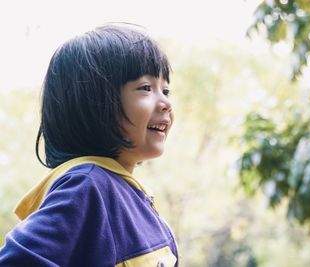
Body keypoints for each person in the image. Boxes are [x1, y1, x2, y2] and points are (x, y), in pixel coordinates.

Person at [0, 23, 179, 267]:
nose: (166, 103)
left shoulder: (128, 192)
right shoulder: (87, 184)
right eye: (145, 88)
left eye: (166, 90)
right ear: (95, 103)